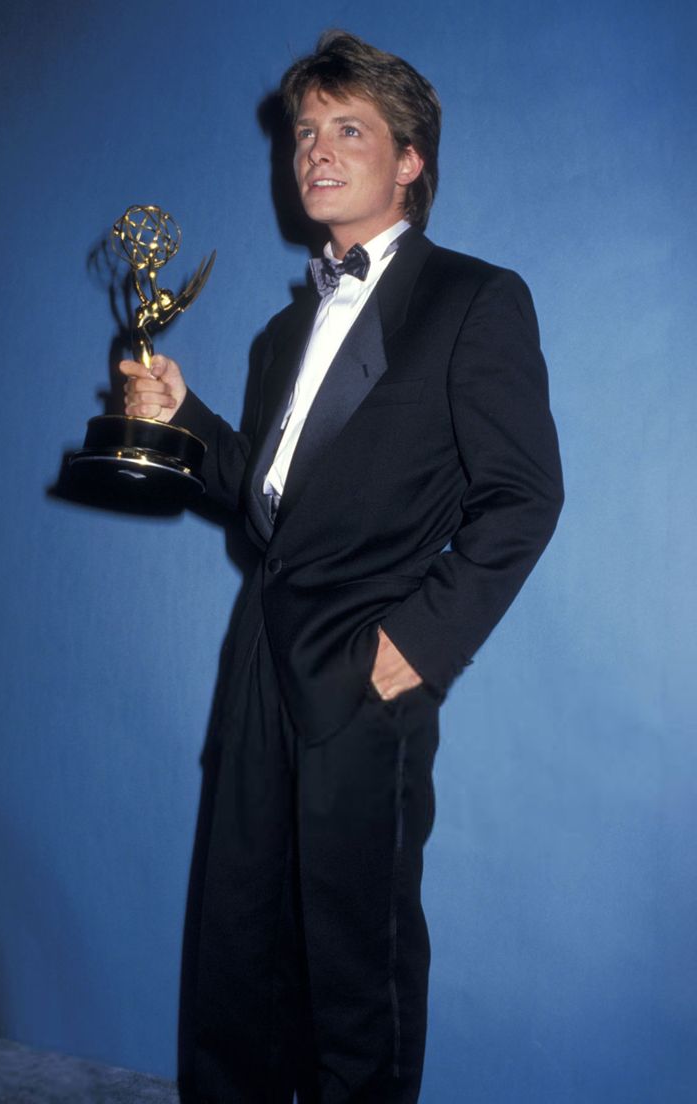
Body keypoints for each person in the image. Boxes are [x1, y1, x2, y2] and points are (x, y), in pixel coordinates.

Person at [120, 30, 564, 1104]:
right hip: (257, 678)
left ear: (409, 158)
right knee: (234, 955)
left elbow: (523, 497)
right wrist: (183, 422)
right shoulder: (282, 334)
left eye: (347, 129)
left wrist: (411, 649)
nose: (315, 151)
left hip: (366, 685)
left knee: (354, 976)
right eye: (306, 133)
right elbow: (267, 497)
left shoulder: (473, 300)